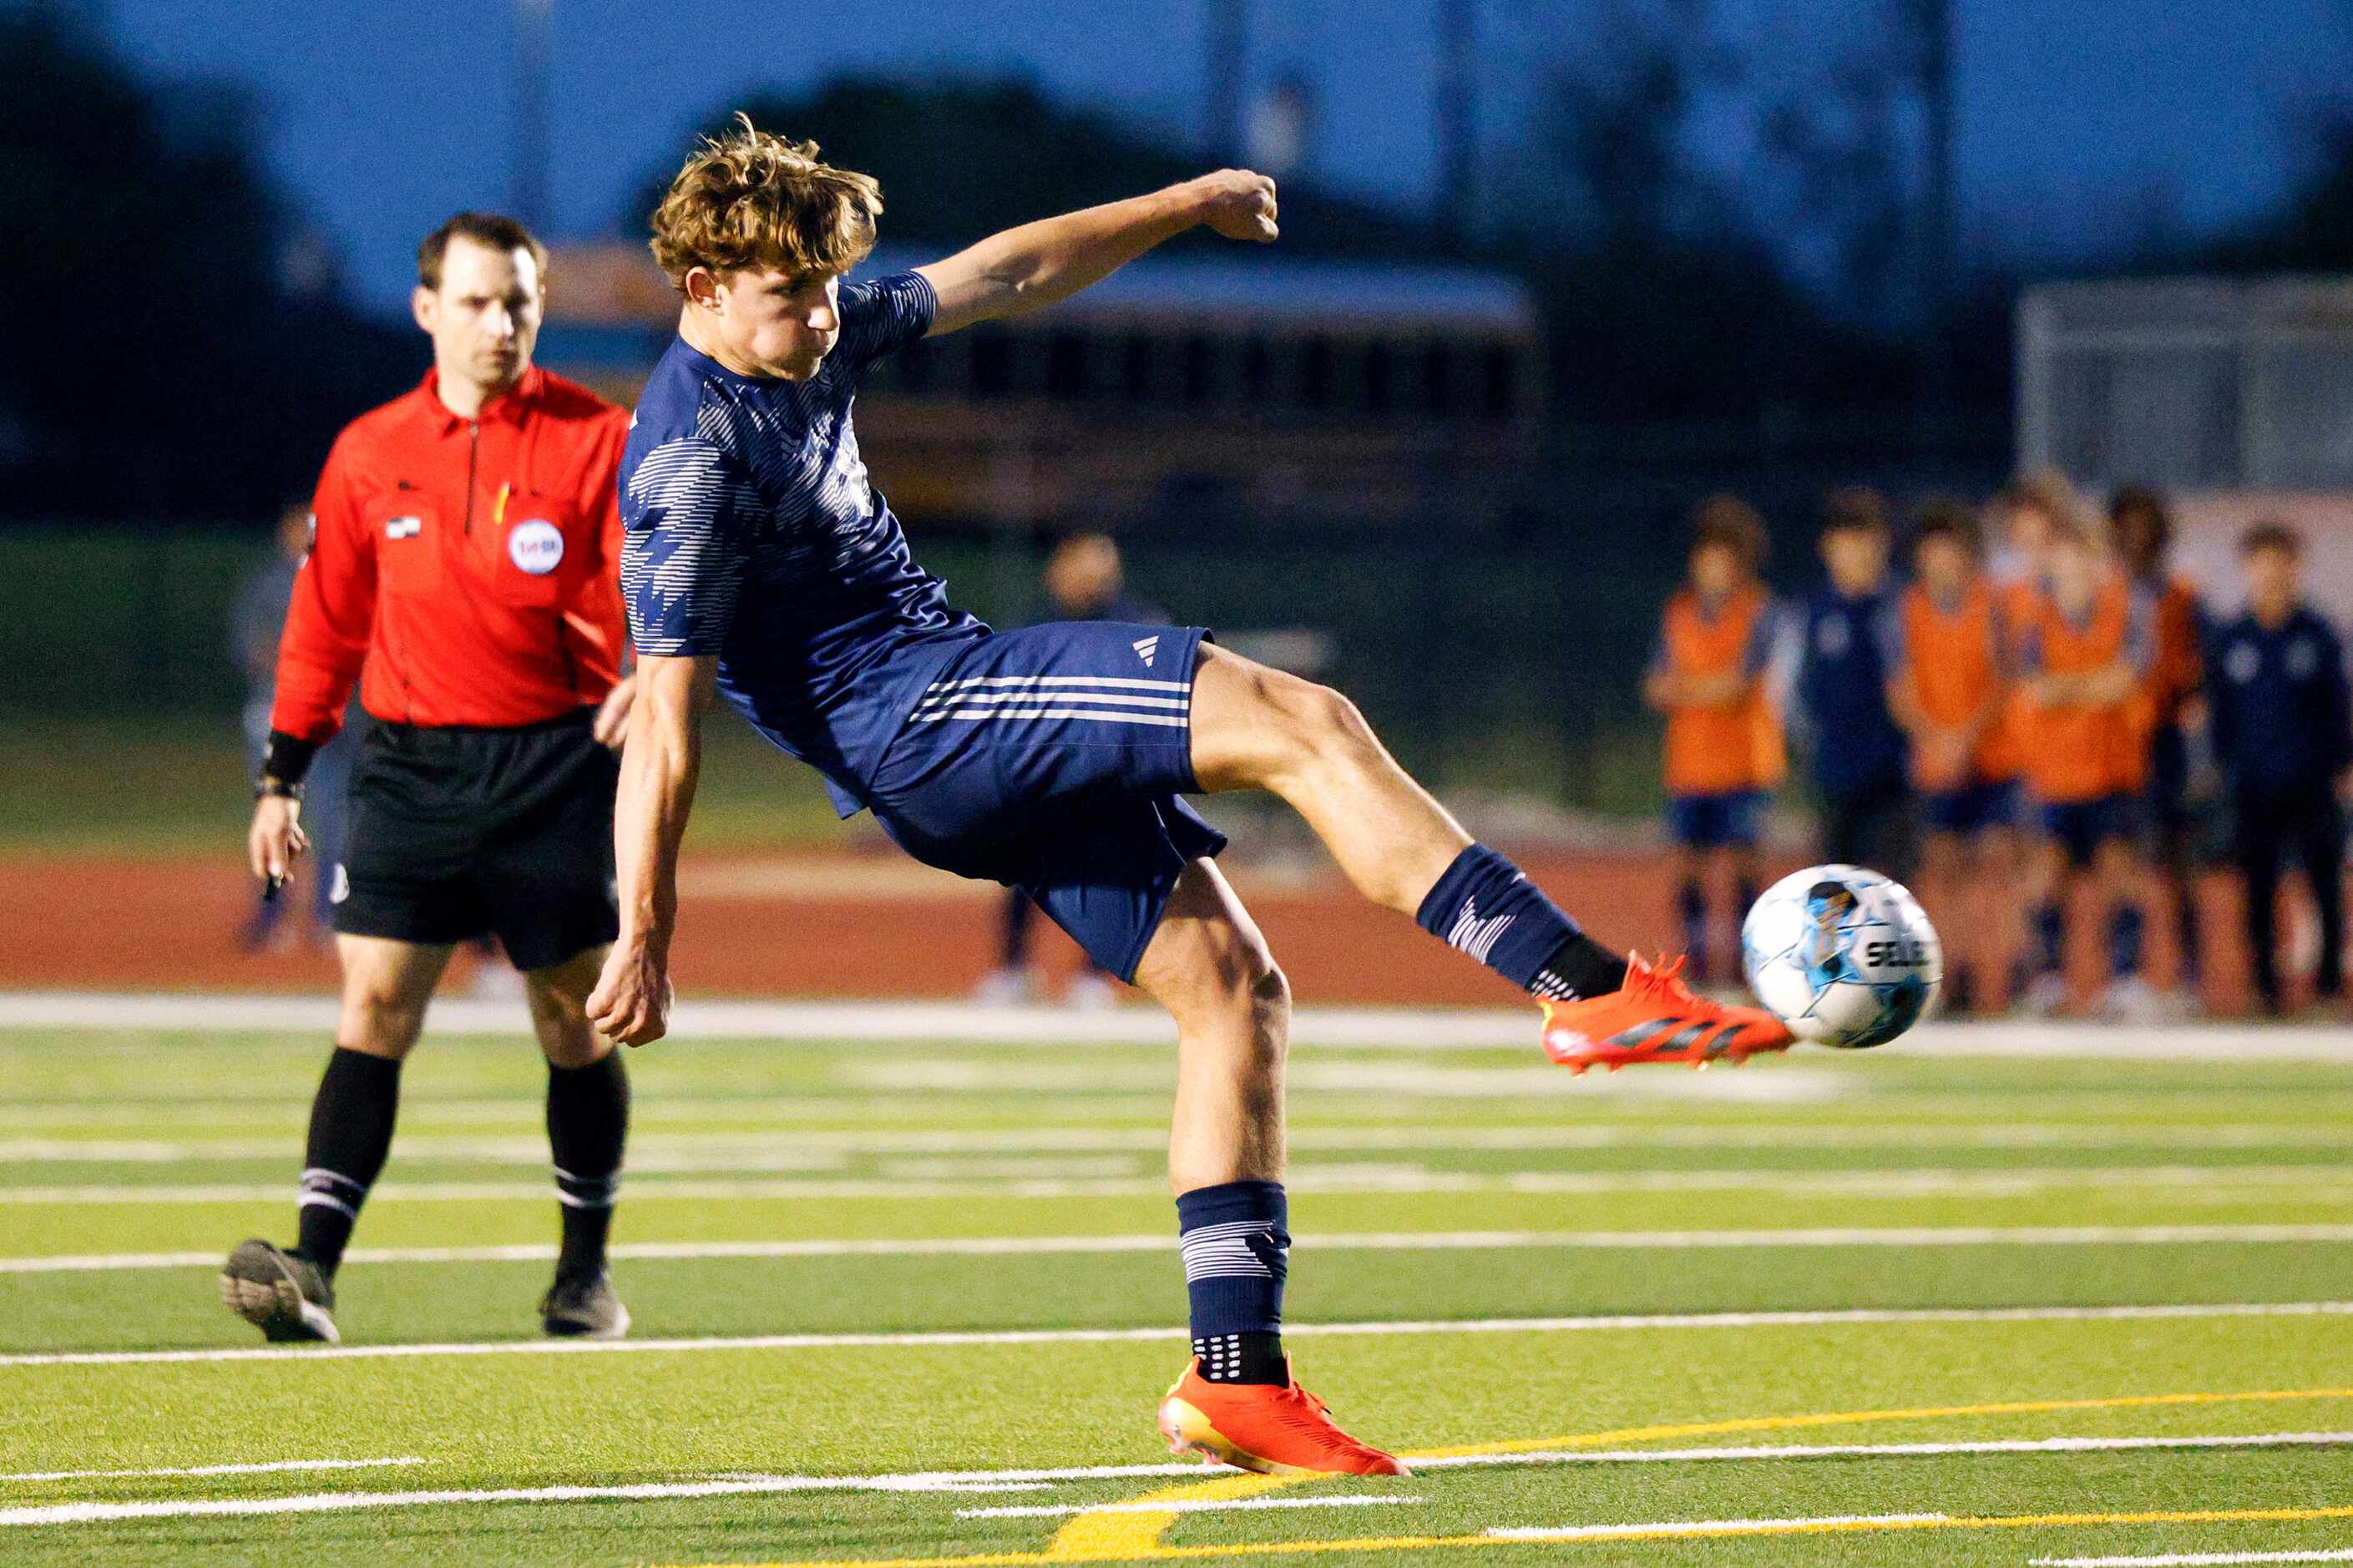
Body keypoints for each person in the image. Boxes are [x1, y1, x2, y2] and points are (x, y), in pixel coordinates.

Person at [588, 122, 1790, 1479]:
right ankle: (1583, 989)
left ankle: (1237, 1380)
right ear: (698, 288)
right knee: (1303, 718)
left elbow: (1011, 267)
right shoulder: (681, 461)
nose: (820, 314)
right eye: (787, 295)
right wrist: (643, 928)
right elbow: (668, 727)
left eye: (824, 287)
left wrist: (1180, 200)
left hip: (941, 714)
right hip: (923, 720)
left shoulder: (812, 329)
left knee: (1233, 985)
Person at [225, 213, 640, 1346]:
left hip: (554, 763)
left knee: (569, 1021)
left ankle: (582, 1275)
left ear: (539, 306)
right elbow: (323, 622)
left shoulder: (599, 439)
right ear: (426, 310)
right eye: (473, 302)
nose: (497, 323)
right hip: (407, 769)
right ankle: (310, 1269)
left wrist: (651, 674)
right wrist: (283, 773)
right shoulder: (368, 449)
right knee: (371, 1007)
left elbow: (663, 581)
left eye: (517, 301)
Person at [974, 532, 1169, 1009]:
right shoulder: (1034, 624)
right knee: (1024, 873)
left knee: (1110, 873)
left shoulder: (1139, 626)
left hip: (1110, 774)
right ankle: (1014, 969)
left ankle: (1095, 975)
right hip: (1045, 771)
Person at [2014, 505, 2156, 1015]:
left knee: (2120, 873)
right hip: (2055, 776)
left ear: (2100, 565)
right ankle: (2048, 979)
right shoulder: (2035, 623)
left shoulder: (2128, 612)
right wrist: (2091, 687)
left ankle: (2125, 979)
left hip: (2113, 769)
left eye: (2082, 563)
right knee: (2045, 878)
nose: (2072, 574)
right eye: (2063, 564)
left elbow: (2125, 681)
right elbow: (2032, 690)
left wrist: (2067, 689)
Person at [2204, 522, 2350, 1014]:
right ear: (2247, 568)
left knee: (2323, 883)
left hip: (2311, 780)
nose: (2268, 572)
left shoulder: (2318, 634)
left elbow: (2337, 707)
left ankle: (2328, 988)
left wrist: (2343, 766)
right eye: (2259, 561)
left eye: (2278, 561)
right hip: (2252, 784)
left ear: (2294, 566)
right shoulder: (2234, 638)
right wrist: (2223, 767)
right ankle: (2264, 989)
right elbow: (2222, 713)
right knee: (2258, 886)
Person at [1642, 495, 1784, 987]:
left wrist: (1690, 689)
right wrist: (1706, 688)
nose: (1714, 569)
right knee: (1686, 867)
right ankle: (1697, 967)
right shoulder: (1678, 612)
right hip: (1689, 763)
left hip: (1744, 762)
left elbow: (1738, 685)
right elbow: (1655, 686)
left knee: (1745, 865)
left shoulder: (1759, 611)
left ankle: (1752, 968)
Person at [1888, 498, 2022, 1014]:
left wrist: (1965, 735)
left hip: (1990, 759)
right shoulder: (1909, 612)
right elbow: (1900, 689)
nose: (1942, 562)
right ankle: (1951, 977)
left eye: (1951, 551)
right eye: (1932, 552)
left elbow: (2004, 679)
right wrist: (1937, 736)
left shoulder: (1992, 606)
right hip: (1937, 763)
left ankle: (2010, 975)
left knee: (1996, 863)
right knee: (1942, 870)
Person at [231, 501, 366, 951]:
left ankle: (329, 917)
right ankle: (272, 920)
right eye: (298, 528)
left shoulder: (341, 583)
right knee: (273, 816)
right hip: (277, 717)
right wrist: (297, 672)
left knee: (333, 820)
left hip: (328, 722)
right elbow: (249, 645)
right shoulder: (268, 585)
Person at [2109, 483, 2208, 1000]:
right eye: (2126, 527)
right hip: (2111, 742)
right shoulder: (2106, 597)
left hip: (2164, 742)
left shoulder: (2182, 596)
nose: (2135, 538)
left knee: (2176, 861)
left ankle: (2189, 974)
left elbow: (2198, 674)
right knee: (2123, 862)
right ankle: (2129, 973)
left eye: (2145, 528)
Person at [1791, 487, 1910, 874]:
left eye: (1866, 542)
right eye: (1846, 543)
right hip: (1835, 772)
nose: (1857, 554)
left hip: (1895, 772)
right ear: (1827, 547)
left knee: (1893, 887)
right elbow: (1797, 692)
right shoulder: (1812, 613)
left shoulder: (1903, 607)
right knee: (1836, 888)